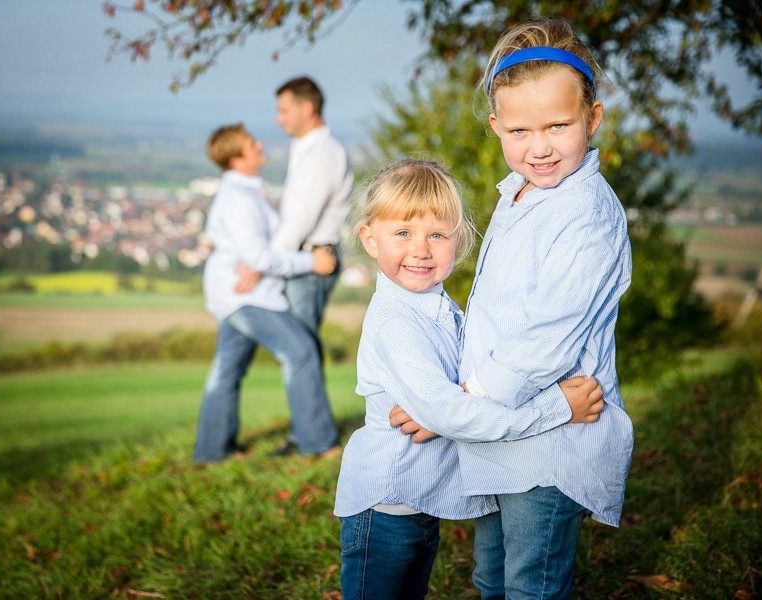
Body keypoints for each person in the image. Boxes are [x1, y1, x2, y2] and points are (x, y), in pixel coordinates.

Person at [389, 19, 634, 599]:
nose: (539, 146)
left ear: (592, 119)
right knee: (490, 575)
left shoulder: (587, 217)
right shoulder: (521, 191)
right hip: (499, 431)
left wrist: (451, 408)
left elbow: (543, 343)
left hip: (550, 438)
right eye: (520, 130)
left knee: (531, 584)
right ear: (497, 126)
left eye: (558, 125)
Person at [335, 158, 606, 599]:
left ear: (457, 241)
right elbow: (457, 413)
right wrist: (557, 408)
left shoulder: (444, 310)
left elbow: (466, 388)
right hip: (383, 509)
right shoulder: (395, 323)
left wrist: (438, 409)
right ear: (369, 238)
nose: (421, 250)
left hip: (419, 508)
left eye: (436, 235)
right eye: (402, 233)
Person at [193, 123, 339, 464]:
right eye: (250, 143)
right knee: (300, 351)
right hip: (244, 296)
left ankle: (212, 452)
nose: (259, 145)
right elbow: (258, 257)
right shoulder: (239, 199)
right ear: (236, 159)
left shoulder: (245, 191)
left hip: (238, 292)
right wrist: (311, 262)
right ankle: (318, 444)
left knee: (228, 369)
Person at [238, 75, 354, 456]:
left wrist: (261, 265)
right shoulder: (307, 148)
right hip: (301, 258)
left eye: (283, 110)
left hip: (309, 261)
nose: (278, 119)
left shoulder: (323, 154)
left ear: (307, 108)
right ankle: (307, 431)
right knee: (300, 347)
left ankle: (314, 439)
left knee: (299, 349)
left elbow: (299, 220)